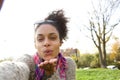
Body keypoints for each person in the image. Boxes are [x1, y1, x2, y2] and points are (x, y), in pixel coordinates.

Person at [0, 9, 76, 80]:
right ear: (35, 44)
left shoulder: (69, 64)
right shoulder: (28, 61)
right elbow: (17, 69)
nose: (46, 43)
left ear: (60, 42)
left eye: (52, 38)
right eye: (40, 39)